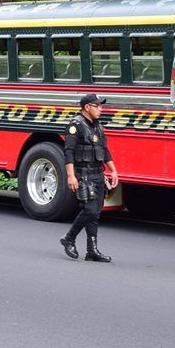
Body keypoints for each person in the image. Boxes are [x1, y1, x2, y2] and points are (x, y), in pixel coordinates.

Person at [59, 93, 118, 263]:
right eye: (97, 106)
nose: (101, 109)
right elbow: (68, 152)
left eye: (101, 106)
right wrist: (71, 176)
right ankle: (69, 238)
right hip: (83, 174)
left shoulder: (98, 126)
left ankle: (92, 250)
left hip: (98, 173)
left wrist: (113, 171)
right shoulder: (75, 126)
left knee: (95, 213)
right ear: (87, 107)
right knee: (89, 210)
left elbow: (104, 150)